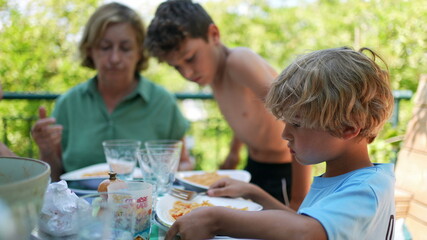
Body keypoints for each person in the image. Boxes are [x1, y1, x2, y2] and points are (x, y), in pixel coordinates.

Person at [165, 47, 396, 240]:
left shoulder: (366, 190)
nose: (285, 134)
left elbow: (307, 232)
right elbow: (301, 222)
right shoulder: (344, 179)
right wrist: (254, 193)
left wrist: (216, 219)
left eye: (296, 123)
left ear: (347, 128)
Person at [145, 0, 311, 208]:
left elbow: (299, 117)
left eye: (190, 58)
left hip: (286, 172)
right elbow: (246, 114)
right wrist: (233, 154)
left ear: (213, 34)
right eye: (176, 67)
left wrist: (299, 197)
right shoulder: (213, 75)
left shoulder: (238, 61)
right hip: (254, 166)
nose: (187, 73)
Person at [31, 2, 193, 181]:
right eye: (105, 47)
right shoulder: (68, 104)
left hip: (144, 205)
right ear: (90, 50)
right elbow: (54, 179)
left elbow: (185, 164)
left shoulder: (163, 102)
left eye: (125, 48)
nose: (115, 58)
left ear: (140, 52)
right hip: (78, 205)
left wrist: (167, 173)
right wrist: (46, 151)